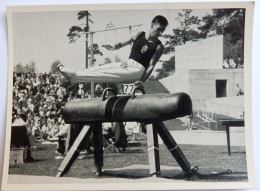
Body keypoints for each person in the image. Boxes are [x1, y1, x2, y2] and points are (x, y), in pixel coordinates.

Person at [57, 15, 168, 86]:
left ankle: (73, 76)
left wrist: (141, 81)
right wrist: (114, 46)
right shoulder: (140, 34)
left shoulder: (158, 46)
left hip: (137, 71)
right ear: (152, 25)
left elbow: (151, 66)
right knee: (100, 68)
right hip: (127, 64)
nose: (160, 33)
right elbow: (122, 43)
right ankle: (73, 75)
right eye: (159, 29)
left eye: (162, 31)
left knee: (106, 74)